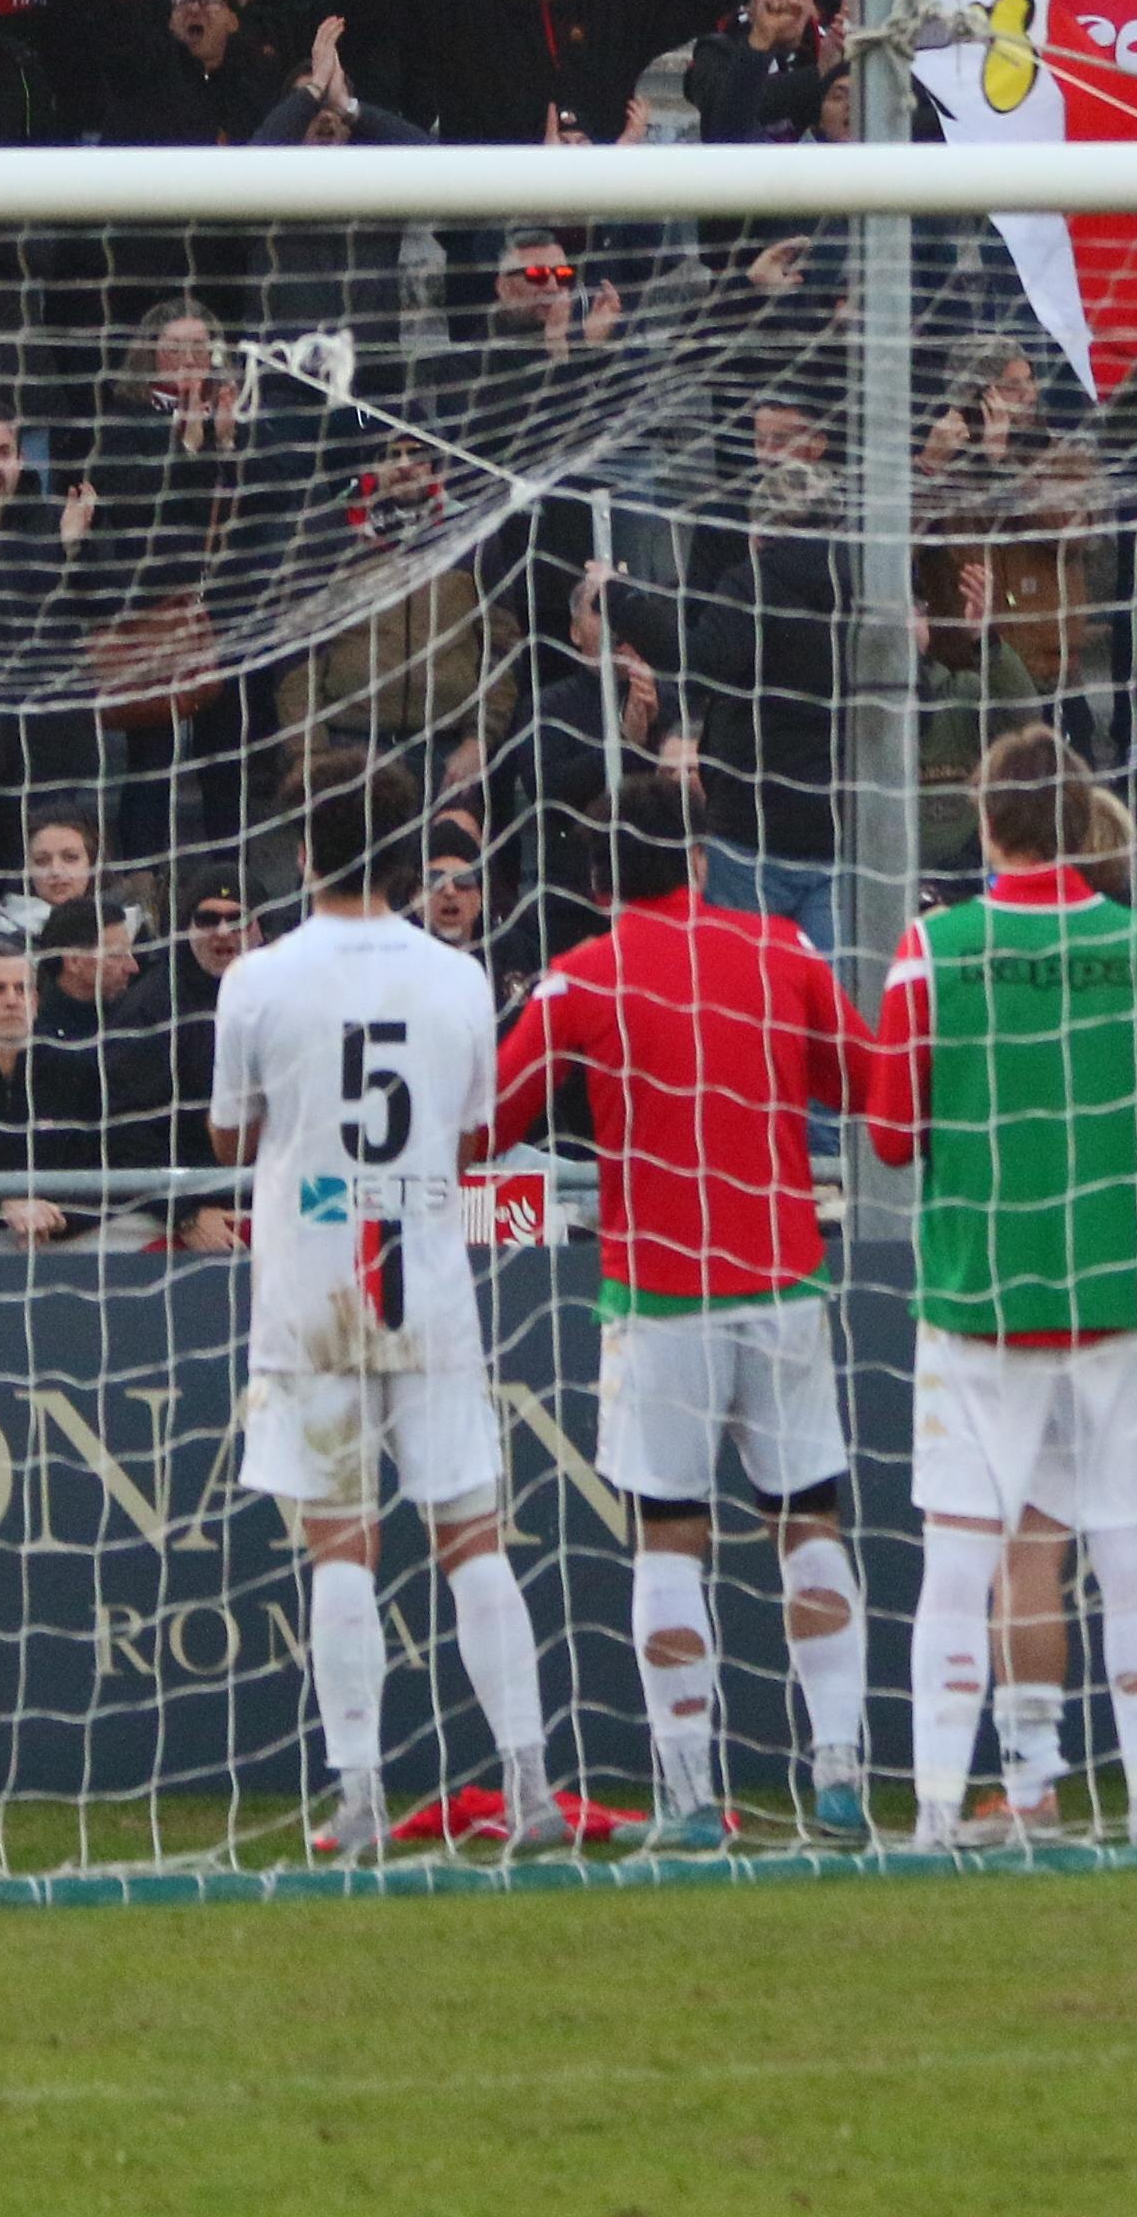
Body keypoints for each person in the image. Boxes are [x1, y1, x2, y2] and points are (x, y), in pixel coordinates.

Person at [482, 772, 872, 1845]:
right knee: (810, 1525)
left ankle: (693, 1796)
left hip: (658, 1299)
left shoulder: (580, 977)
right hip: (785, 1284)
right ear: (700, 860)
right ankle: (839, 1773)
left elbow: (487, 1126)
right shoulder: (785, 951)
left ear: (600, 881)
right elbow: (864, 1083)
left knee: (668, 1541)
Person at [861, 725, 1137, 1846]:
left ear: (986, 820)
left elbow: (890, 1136)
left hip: (979, 1296)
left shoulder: (933, 948)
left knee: (960, 1563)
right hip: (1112, 1289)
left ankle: (936, 1809)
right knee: (1132, 1559)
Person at [210, 748, 549, 1858]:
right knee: (472, 1536)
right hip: (428, 1285)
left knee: (340, 1547)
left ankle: (359, 1798)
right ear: (410, 858)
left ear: (305, 848)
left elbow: (228, 1135)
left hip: (310, 1288)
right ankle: (532, 1785)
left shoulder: (258, 978)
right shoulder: (458, 979)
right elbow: (474, 1133)